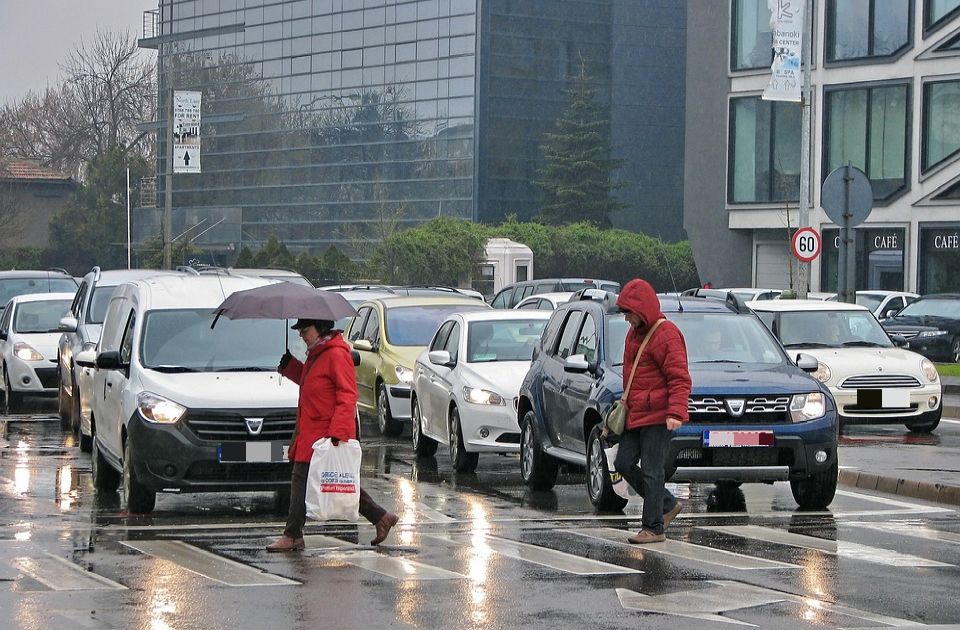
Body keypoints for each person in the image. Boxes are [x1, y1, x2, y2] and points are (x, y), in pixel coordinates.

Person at [266, 318, 399, 551]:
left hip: (324, 434)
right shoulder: (317, 353)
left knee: (310, 480)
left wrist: (337, 433)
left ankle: (293, 534)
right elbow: (313, 384)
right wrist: (290, 366)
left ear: (320, 329)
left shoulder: (336, 353)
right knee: (333, 482)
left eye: (305, 330)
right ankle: (381, 517)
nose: (301, 335)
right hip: (311, 432)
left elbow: (347, 394)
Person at [612, 279, 692, 544]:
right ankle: (667, 504)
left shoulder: (666, 334)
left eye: (629, 313)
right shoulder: (634, 334)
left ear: (642, 309)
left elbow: (679, 378)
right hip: (637, 414)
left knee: (652, 469)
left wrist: (676, 412)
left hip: (658, 415)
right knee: (623, 462)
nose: (626, 319)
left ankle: (654, 528)